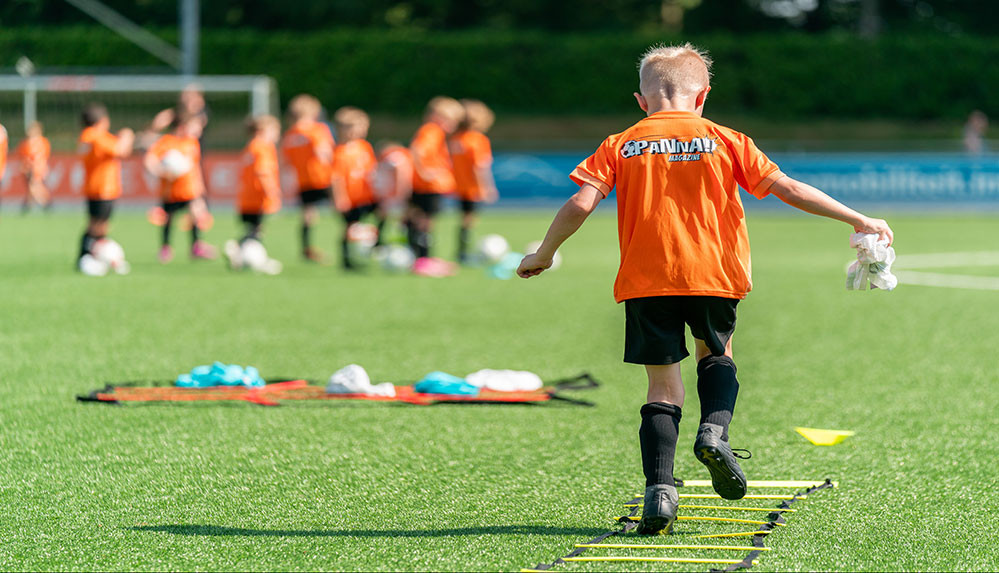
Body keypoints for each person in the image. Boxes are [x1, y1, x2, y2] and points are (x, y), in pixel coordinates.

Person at [516, 43, 893, 535]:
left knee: (661, 386)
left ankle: (660, 492)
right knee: (716, 355)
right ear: (703, 96)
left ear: (641, 100)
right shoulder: (726, 138)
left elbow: (580, 202)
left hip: (647, 281)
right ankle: (714, 432)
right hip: (714, 275)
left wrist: (543, 253)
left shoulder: (621, 143)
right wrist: (858, 217)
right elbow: (788, 188)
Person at [144, 113, 216, 262]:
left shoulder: (192, 143)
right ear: (182, 127)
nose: (197, 131)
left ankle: (196, 246)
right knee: (169, 220)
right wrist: (161, 171)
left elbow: (195, 166)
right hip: (170, 191)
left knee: (195, 215)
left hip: (189, 190)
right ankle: (165, 248)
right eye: (194, 127)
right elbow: (149, 160)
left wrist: (201, 186)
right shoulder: (166, 142)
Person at [77, 103, 134, 266]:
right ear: (102, 120)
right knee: (99, 226)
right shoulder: (95, 135)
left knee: (98, 224)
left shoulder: (90, 136)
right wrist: (127, 136)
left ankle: (93, 257)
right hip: (103, 188)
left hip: (96, 187)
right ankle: (86, 257)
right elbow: (120, 150)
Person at [408, 96, 464, 258]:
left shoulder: (431, 131)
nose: (452, 126)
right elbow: (417, 150)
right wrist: (425, 173)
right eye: (451, 120)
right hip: (428, 186)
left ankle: (417, 256)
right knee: (426, 223)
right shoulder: (432, 131)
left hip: (426, 185)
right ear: (437, 117)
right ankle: (424, 259)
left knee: (418, 220)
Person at [282, 94, 336, 263]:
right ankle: (352, 243)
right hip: (323, 178)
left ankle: (306, 248)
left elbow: (285, 161)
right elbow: (324, 152)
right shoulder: (316, 129)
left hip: (303, 180)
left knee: (308, 214)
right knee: (343, 209)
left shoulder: (290, 135)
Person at [330, 106, 381, 270]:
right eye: (351, 128)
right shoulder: (339, 152)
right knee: (349, 228)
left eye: (361, 128)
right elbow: (336, 178)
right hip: (350, 198)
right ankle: (347, 260)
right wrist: (339, 197)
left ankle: (377, 246)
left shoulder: (364, 147)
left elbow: (371, 170)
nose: (357, 132)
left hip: (367, 195)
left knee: (382, 215)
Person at [449, 99, 498, 263]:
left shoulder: (456, 139)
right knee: (469, 220)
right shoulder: (477, 140)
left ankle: (462, 252)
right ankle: (464, 253)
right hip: (472, 188)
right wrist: (487, 188)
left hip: (458, 186)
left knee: (464, 219)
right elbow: (480, 167)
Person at [235, 115, 282, 246]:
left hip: (246, 197)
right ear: (262, 130)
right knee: (256, 231)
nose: (277, 135)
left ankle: (240, 251)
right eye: (275, 131)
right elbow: (263, 172)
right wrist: (272, 191)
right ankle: (237, 248)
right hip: (257, 197)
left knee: (254, 229)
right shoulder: (263, 148)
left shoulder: (250, 147)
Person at [16, 121, 52, 213]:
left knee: (34, 185)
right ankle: (29, 204)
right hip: (28, 168)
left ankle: (45, 203)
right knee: (32, 186)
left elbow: (44, 156)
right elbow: (23, 156)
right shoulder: (25, 143)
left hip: (37, 168)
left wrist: (43, 166)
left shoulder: (42, 142)